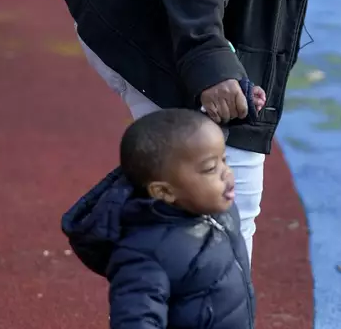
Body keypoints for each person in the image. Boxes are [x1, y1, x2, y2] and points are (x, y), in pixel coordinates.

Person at [54, 0, 315, 261]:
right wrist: (208, 56)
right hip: (169, 21)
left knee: (213, 221)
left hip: (186, 14)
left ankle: (171, 290)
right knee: (219, 217)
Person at [62, 108, 254, 329]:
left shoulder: (221, 212)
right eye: (210, 168)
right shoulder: (145, 252)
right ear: (164, 192)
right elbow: (136, 319)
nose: (226, 172)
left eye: (224, 160)